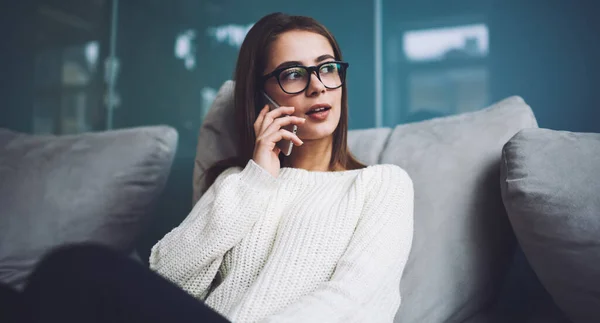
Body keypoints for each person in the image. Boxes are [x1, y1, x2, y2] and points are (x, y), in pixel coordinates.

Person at [149, 12, 414, 323]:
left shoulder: (382, 185)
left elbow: (355, 300)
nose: (317, 86)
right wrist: (257, 179)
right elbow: (162, 283)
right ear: (262, 97)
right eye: (292, 74)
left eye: (327, 68)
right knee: (88, 266)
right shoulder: (238, 183)